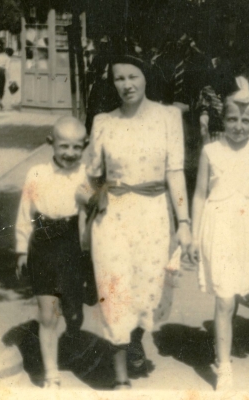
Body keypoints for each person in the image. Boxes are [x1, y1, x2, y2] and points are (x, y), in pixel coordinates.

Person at [84, 52, 191, 390]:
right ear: (111, 83)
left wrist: (184, 221)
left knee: (149, 290)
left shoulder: (168, 117)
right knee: (114, 289)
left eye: (133, 76)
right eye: (119, 78)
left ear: (145, 77)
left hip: (154, 214)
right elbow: (89, 174)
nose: (126, 84)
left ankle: (133, 341)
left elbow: (175, 172)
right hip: (112, 216)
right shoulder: (103, 121)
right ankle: (120, 379)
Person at [190, 91, 249, 390]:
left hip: (247, 227)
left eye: (245, 120)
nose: (238, 126)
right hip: (218, 226)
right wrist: (195, 237)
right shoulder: (211, 151)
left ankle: (221, 344)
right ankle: (223, 367)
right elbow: (199, 195)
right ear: (222, 120)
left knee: (235, 293)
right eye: (232, 119)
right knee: (224, 297)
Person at [15, 117, 89, 389]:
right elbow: (25, 213)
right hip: (43, 245)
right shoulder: (36, 173)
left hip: (71, 244)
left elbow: (92, 215)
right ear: (51, 144)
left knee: (72, 309)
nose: (70, 153)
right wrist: (22, 250)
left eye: (76, 147)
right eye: (64, 146)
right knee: (48, 313)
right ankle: (51, 374)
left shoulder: (86, 174)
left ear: (85, 146)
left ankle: (73, 334)